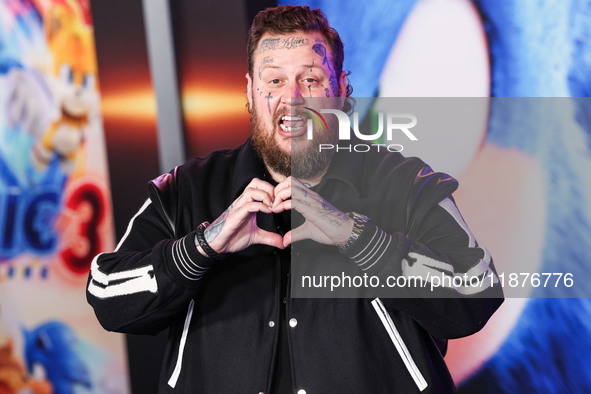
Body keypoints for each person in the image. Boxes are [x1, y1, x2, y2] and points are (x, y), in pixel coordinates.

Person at [86, 5, 503, 393]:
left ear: (341, 89)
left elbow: (477, 292)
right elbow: (107, 296)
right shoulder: (182, 190)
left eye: (311, 79)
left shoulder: (406, 184)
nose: (293, 98)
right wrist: (202, 247)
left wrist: (356, 237)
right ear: (250, 92)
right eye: (275, 80)